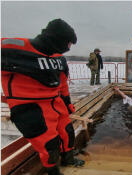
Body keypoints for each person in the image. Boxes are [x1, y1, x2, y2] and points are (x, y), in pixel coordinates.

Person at [1, 19, 85, 175]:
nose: (68, 48)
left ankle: (68, 158)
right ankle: (52, 171)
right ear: (56, 39)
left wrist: (67, 103)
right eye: (68, 44)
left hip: (55, 102)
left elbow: (62, 83)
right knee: (49, 145)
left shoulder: (59, 58)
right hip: (30, 107)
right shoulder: (14, 48)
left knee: (68, 133)